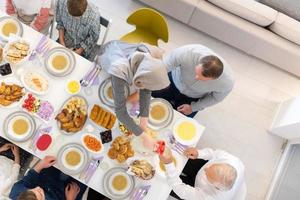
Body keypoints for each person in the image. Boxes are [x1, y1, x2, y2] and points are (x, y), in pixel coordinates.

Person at [98, 40, 170, 149]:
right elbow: (120, 112)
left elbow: (146, 88)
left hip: (123, 60)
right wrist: (144, 136)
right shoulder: (119, 69)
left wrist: (143, 123)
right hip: (109, 56)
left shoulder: (151, 63)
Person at [152, 44, 235, 118]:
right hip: (172, 80)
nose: (196, 77)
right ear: (199, 63)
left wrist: (193, 107)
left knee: (179, 120)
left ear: (214, 79)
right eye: (196, 73)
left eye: (202, 79)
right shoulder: (188, 52)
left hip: (193, 97)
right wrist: (157, 79)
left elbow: (215, 98)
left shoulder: (226, 83)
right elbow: (164, 67)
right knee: (149, 102)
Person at [159, 147, 246, 200]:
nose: (206, 169)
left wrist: (168, 164)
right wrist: (199, 153)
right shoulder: (233, 161)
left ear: (216, 187)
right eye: (210, 167)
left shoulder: (209, 198)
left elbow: (179, 189)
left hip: (197, 189)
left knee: (165, 185)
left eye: (208, 175)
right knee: (182, 157)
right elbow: (213, 153)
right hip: (200, 171)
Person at [9, 156, 86, 200]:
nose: (38, 188)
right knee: (87, 172)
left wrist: (41, 165)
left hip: (46, 177)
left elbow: (28, 180)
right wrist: (70, 199)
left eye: (33, 189)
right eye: (41, 194)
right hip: (64, 195)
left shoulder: (15, 193)